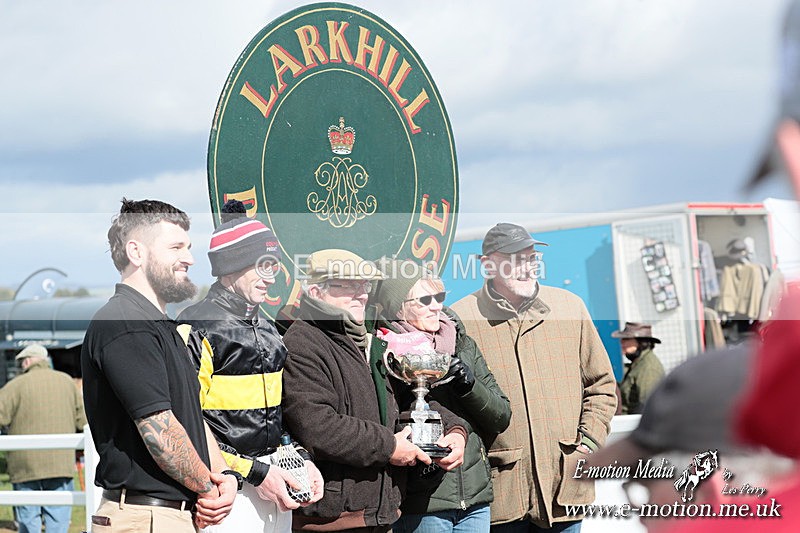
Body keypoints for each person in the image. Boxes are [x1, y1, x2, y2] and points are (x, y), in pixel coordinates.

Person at [281, 249, 467, 532]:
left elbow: (409, 398)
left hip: (381, 516)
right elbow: (317, 425)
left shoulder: (372, 339)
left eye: (364, 285)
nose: (361, 294)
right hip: (329, 522)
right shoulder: (302, 342)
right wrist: (389, 447)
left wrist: (453, 431)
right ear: (317, 291)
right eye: (348, 286)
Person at [81, 198, 237, 533]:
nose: (190, 259)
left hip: (167, 516)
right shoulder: (124, 322)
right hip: (144, 517)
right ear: (137, 252)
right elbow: (160, 430)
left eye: (189, 247)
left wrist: (225, 476)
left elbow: (188, 417)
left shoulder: (161, 326)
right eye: (176, 247)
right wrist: (209, 490)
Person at [450, 223, 617, 532]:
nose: (527, 268)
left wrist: (588, 443)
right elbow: (455, 404)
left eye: (531, 258)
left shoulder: (570, 307)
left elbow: (602, 386)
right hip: (501, 492)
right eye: (515, 259)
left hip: (564, 483)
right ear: (488, 265)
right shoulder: (462, 318)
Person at [178, 200, 323, 532]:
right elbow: (186, 425)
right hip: (224, 495)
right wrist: (255, 472)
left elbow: (277, 419)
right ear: (231, 266)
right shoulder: (195, 327)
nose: (271, 277)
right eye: (264, 266)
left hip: (273, 486)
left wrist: (302, 459)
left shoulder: (270, 329)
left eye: (274, 266)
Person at [372, 258, 512, 533]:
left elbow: (501, 416)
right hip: (422, 503)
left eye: (439, 296)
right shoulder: (385, 349)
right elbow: (387, 416)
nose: (437, 305)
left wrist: (469, 387)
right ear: (398, 306)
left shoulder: (461, 343)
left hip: (474, 498)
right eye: (425, 299)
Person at [0, 344, 86, 533]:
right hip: (60, 461)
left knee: (28, 515)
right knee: (58, 515)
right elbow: (83, 422)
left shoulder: (15, 385)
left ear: (29, 361)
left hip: (24, 464)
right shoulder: (67, 382)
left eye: (22, 362)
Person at [612, 322, 665, 414]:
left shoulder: (648, 368)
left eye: (626, 339)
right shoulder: (637, 363)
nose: (621, 342)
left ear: (641, 342)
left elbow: (649, 408)